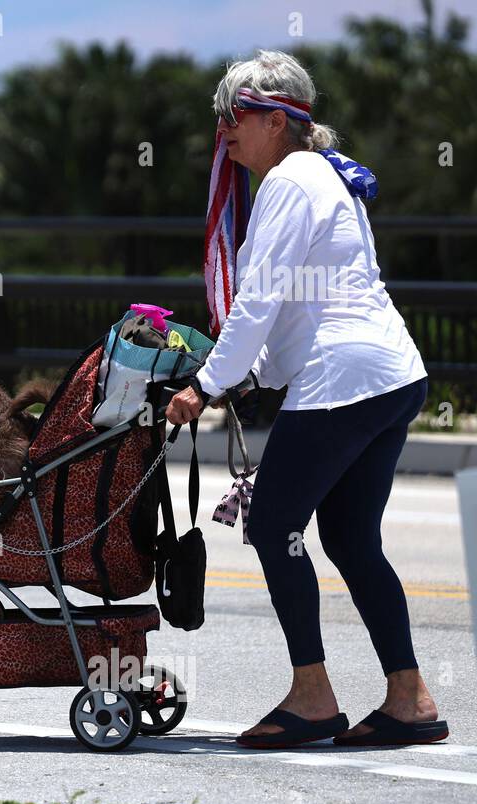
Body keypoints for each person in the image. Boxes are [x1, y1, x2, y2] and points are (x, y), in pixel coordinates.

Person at [165, 50, 448, 748]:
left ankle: (313, 695)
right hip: (390, 374)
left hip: (342, 381)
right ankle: (409, 699)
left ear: (275, 118)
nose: (223, 132)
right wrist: (244, 371)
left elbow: (259, 300)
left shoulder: (289, 180)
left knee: (271, 526)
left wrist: (207, 385)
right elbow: (296, 306)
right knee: (350, 538)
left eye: (234, 117)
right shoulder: (326, 176)